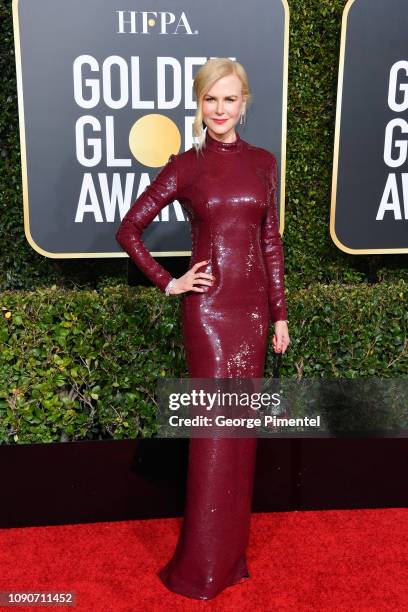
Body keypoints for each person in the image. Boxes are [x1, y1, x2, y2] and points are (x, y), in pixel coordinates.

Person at [115, 58, 290, 600]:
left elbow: (270, 244)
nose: (220, 109)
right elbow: (130, 228)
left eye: (230, 99)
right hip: (211, 315)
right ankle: (200, 566)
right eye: (211, 99)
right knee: (216, 434)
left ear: (244, 103)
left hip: (254, 315)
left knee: (241, 436)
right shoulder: (187, 165)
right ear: (200, 104)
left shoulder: (264, 162)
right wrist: (170, 282)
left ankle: (231, 557)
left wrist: (280, 312)